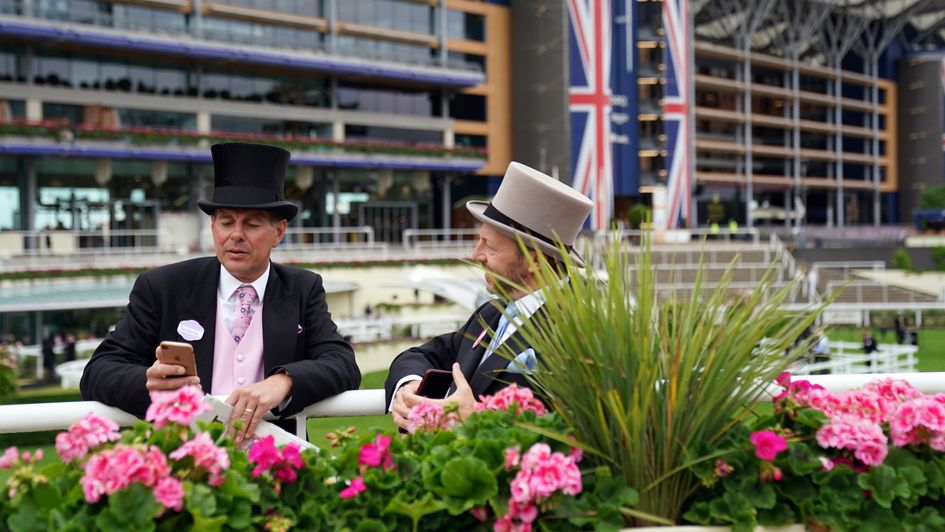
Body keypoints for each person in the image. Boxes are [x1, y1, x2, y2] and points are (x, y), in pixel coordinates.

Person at [81, 143, 361, 442]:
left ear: (278, 232)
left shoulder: (302, 288)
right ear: (213, 225)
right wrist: (148, 382)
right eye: (226, 222)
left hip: (275, 465)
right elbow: (98, 371)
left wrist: (283, 381)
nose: (235, 235)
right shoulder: (163, 287)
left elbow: (342, 363)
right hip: (186, 465)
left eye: (251, 224)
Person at [385, 162, 593, 430]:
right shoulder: (491, 314)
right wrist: (410, 385)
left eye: (490, 245)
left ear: (535, 260)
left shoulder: (579, 331)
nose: (476, 255)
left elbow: (573, 429)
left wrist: (475, 419)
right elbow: (421, 355)